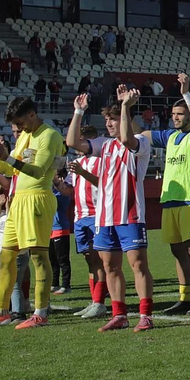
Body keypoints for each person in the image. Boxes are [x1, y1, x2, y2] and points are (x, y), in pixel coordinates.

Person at [0, 97, 66, 331]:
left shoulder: (49, 135)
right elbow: (11, 169)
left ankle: (40, 312)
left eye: (20, 122)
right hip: (17, 201)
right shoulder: (26, 137)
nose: (19, 128)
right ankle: (0, 311)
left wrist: (8, 158)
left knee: (39, 256)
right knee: (7, 257)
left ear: (32, 114)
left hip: (37, 199)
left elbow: (38, 170)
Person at [67, 88, 156, 332]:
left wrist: (126, 106)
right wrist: (78, 112)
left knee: (138, 264)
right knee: (110, 267)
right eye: (107, 119)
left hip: (130, 213)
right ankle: (119, 314)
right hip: (105, 216)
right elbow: (72, 142)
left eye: (113, 119)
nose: (108, 123)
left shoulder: (140, 143)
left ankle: (145, 315)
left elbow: (128, 139)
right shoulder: (103, 145)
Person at [141, 73, 190, 316]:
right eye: (173, 115)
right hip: (170, 201)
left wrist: (186, 93)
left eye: (179, 114)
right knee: (177, 251)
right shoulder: (170, 136)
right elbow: (140, 135)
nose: (175, 118)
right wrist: (125, 109)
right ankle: (185, 298)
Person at [66, 152, 109, 318]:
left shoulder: (100, 160)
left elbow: (104, 184)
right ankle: (94, 301)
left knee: (98, 259)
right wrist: (54, 180)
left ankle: (99, 303)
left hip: (96, 215)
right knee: (89, 259)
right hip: (79, 217)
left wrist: (83, 172)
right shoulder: (76, 162)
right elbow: (66, 189)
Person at [48, 170, 74, 294]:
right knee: (52, 259)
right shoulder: (51, 192)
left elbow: (58, 204)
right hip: (49, 229)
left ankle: (66, 285)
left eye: (58, 177)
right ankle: (54, 283)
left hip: (60, 228)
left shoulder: (63, 194)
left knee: (62, 259)